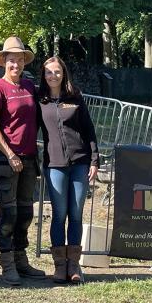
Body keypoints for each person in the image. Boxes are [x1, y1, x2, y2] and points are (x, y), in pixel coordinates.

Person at [0, 36, 46, 286]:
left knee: (25, 211)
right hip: (7, 158)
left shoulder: (30, 86)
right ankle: (7, 263)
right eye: (11, 60)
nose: (16, 64)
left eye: (19, 60)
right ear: (4, 62)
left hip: (30, 158)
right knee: (8, 212)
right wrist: (10, 154)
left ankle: (22, 260)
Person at [38, 56, 99, 284]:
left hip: (80, 163)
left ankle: (74, 266)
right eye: (48, 73)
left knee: (75, 215)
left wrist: (94, 160)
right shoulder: (40, 100)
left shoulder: (75, 97)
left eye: (56, 71)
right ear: (43, 76)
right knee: (58, 215)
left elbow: (89, 129)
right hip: (54, 165)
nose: (52, 76)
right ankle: (59, 266)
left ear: (64, 73)